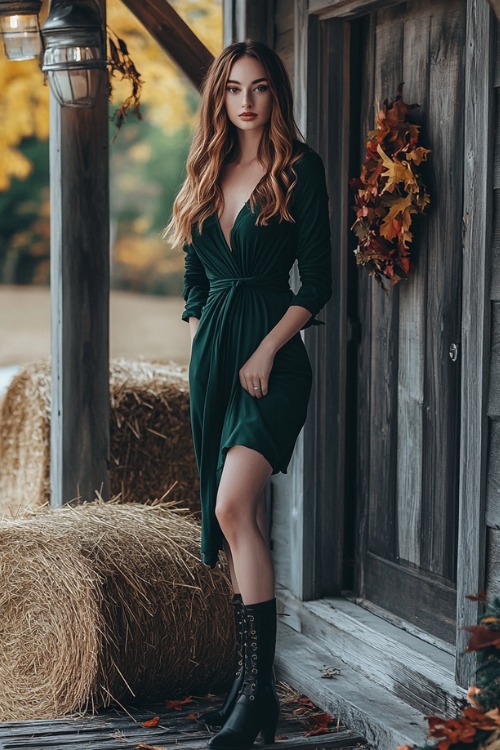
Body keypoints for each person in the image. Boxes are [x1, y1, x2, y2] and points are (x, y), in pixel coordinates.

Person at [166, 40, 332, 750]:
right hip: (216, 365)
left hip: (273, 364)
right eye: (234, 88)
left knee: (234, 506)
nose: (247, 101)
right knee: (243, 525)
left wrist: (265, 348)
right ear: (219, 97)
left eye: (260, 88)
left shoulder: (301, 171)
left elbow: (317, 285)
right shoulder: (204, 170)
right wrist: (208, 342)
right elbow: (195, 283)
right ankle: (246, 685)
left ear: (276, 96)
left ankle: (258, 697)